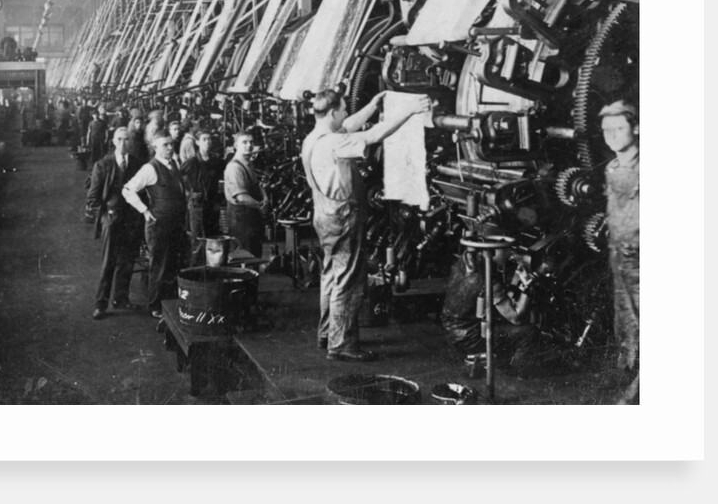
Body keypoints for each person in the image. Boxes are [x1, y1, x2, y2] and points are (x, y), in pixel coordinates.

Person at [301, 88, 430, 362]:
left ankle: (327, 334)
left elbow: (349, 126)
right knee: (348, 279)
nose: (346, 113)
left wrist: (372, 105)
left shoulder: (313, 138)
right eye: (343, 109)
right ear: (332, 112)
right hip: (342, 217)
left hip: (323, 215)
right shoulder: (335, 143)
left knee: (331, 274)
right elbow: (372, 135)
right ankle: (342, 345)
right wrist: (410, 110)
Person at [440, 241, 542, 375]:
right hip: (470, 339)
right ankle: (518, 374)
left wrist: (515, 279)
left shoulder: (463, 266)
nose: (510, 253)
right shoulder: (487, 280)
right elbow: (515, 317)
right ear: (492, 251)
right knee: (529, 332)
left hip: (451, 333)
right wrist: (528, 287)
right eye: (507, 249)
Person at [599, 99, 639, 404]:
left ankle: (637, 392)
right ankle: (631, 375)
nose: (611, 134)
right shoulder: (612, 168)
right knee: (625, 321)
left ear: (636, 128)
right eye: (606, 129)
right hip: (619, 257)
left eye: (618, 127)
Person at [123, 134, 189, 318]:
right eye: (165, 145)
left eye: (171, 144)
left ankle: (170, 304)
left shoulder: (174, 164)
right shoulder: (150, 168)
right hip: (159, 225)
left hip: (176, 223)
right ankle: (156, 306)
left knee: (173, 264)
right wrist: (144, 210)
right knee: (160, 266)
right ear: (155, 147)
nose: (170, 148)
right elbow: (127, 190)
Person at [87, 127, 145, 320]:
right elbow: (93, 198)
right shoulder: (103, 165)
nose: (123, 143)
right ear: (113, 141)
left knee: (127, 261)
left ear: (131, 142)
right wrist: (105, 217)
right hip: (111, 219)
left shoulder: (137, 164)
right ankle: (100, 304)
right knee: (108, 262)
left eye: (127, 139)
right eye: (119, 139)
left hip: (132, 220)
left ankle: (121, 298)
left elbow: (143, 192)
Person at [181, 130, 225, 265]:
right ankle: (197, 269)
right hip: (197, 206)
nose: (207, 142)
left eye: (209, 139)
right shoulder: (191, 162)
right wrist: (189, 193)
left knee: (213, 237)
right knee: (198, 239)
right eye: (204, 139)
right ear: (197, 142)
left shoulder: (217, 162)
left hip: (213, 205)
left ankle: (212, 268)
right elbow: (178, 180)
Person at [223, 132, 269, 258]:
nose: (249, 145)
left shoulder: (248, 164)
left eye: (251, 142)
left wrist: (265, 197)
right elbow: (241, 198)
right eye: (244, 142)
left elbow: (257, 185)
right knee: (244, 258)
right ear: (236, 145)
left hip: (251, 219)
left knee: (254, 255)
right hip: (241, 222)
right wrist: (261, 206)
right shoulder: (234, 167)